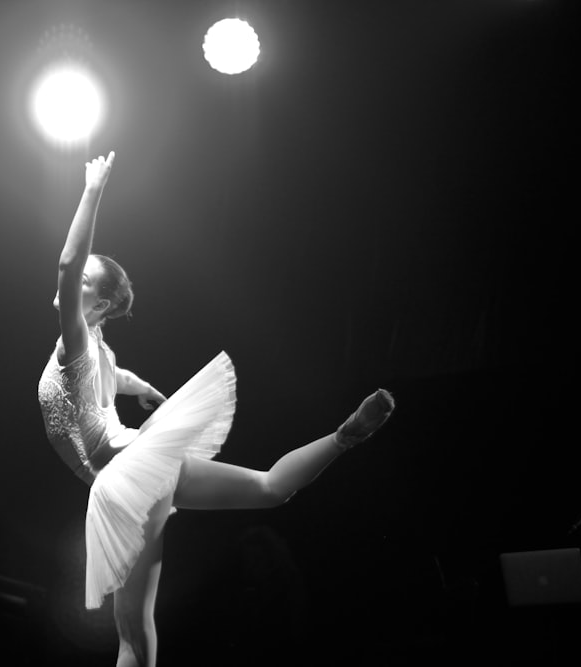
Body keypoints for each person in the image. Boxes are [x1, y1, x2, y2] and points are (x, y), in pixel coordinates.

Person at [37, 151, 395, 667]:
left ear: (97, 304)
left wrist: (92, 189)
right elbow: (116, 374)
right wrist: (144, 389)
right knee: (270, 490)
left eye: (84, 285)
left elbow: (69, 262)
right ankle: (345, 437)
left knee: (131, 635)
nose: (70, 285)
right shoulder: (95, 348)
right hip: (135, 473)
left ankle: (344, 437)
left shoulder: (77, 342)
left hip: (122, 472)